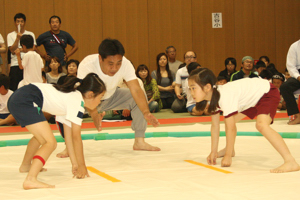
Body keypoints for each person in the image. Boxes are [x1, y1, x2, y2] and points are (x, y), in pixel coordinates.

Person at [188, 67, 300, 173]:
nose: (191, 92)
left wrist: (227, 156)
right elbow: (215, 126)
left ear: (207, 87)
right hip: (251, 98)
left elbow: (230, 128)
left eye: (194, 88)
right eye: (190, 89)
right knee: (231, 121)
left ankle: (290, 161)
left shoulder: (224, 96)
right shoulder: (214, 97)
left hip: (266, 93)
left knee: (261, 125)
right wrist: (213, 151)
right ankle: (230, 149)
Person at [7, 73, 106, 189]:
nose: (100, 102)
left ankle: (26, 166)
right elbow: (76, 138)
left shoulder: (72, 97)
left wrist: (74, 164)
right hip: (25, 100)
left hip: (19, 98)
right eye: (100, 98)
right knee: (50, 143)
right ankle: (31, 179)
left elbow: (68, 136)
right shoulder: (77, 101)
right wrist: (82, 165)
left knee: (41, 137)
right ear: (90, 95)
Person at [77, 38, 160, 151]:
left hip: (112, 96)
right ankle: (70, 145)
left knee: (139, 95)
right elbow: (85, 94)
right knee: (67, 106)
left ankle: (139, 141)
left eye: (118, 63)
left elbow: (135, 89)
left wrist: (146, 112)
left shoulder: (126, 63)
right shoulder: (87, 64)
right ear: (100, 58)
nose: (114, 68)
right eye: (110, 64)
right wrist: (94, 113)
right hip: (88, 101)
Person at [7, 13, 36, 91]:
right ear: (15, 22)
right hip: (15, 65)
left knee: (28, 87)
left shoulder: (30, 34)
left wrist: (21, 50)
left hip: (29, 64)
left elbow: (33, 48)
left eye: (22, 21)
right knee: (15, 88)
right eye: (18, 21)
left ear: (24, 22)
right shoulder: (10, 35)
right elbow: (12, 50)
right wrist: (17, 39)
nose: (20, 23)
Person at [280, 40, 300, 125]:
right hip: (298, 74)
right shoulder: (295, 46)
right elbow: (291, 66)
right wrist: (298, 76)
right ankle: (297, 116)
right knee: (285, 87)